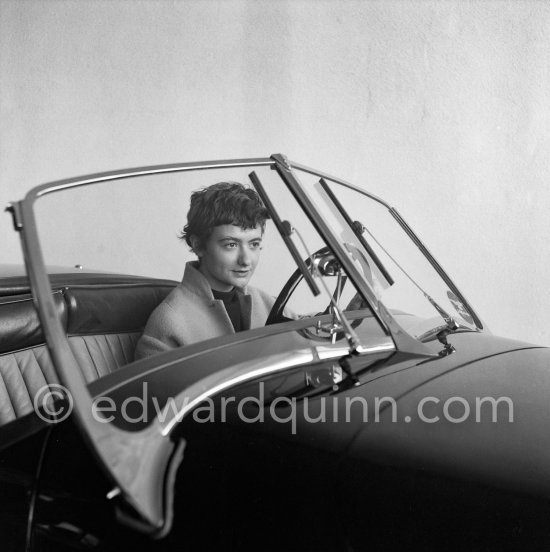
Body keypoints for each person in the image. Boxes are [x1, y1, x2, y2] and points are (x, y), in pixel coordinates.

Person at [134, 182, 275, 359]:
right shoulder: (170, 322)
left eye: (254, 244)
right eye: (231, 245)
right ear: (198, 245)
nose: (246, 260)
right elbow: (151, 386)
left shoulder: (268, 304)